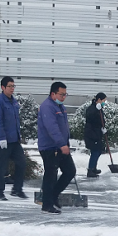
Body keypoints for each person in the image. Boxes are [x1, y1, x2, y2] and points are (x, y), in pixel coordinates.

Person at [0, 77, 27, 200]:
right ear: (3, 87)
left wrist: (18, 135)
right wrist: (1, 138)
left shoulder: (13, 101)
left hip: (14, 139)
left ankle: (17, 189)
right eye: (9, 86)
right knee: (1, 166)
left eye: (13, 86)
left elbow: (15, 120)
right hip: (3, 140)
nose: (12, 88)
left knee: (22, 163)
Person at [37, 82, 76, 214]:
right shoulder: (47, 107)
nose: (64, 97)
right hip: (50, 147)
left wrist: (65, 143)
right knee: (51, 175)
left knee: (70, 171)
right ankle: (47, 204)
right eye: (61, 94)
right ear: (53, 94)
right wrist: (61, 144)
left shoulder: (59, 106)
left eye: (65, 94)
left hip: (60, 146)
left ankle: (53, 195)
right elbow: (52, 127)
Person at [84, 92, 108, 178]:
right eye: (104, 100)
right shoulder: (92, 108)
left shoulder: (99, 108)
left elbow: (100, 120)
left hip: (97, 133)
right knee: (95, 151)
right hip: (92, 134)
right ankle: (90, 170)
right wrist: (96, 110)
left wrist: (103, 128)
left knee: (98, 151)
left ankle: (93, 168)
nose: (104, 102)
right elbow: (90, 118)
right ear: (99, 99)